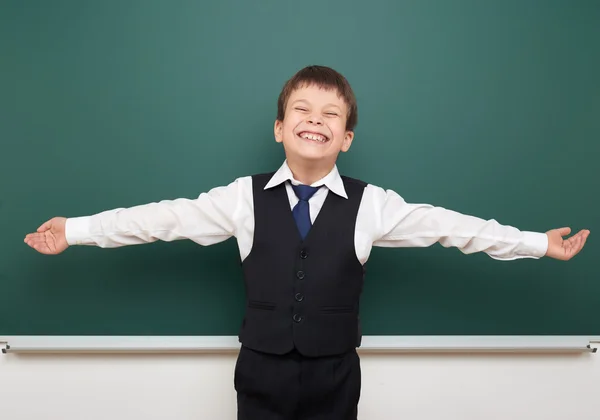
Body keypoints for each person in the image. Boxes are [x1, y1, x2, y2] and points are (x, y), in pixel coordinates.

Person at [24, 65, 590, 420]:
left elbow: (453, 228)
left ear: (346, 137)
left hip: (335, 375)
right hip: (260, 373)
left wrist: (538, 244)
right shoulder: (241, 199)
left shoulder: (373, 205)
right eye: (301, 110)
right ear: (278, 127)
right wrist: (74, 230)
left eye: (330, 115)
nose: (313, 121)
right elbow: (160, 219)